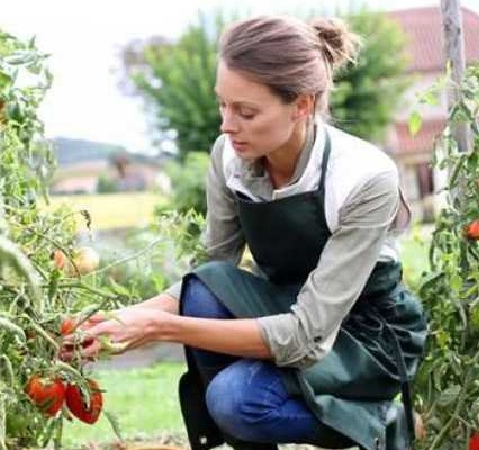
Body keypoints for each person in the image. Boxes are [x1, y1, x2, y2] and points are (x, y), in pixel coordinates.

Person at [61, 14, 427, 450]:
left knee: (236, 399)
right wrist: (121, 320)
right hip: (284, 304)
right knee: (203, 289)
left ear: (303, 104)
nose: (227, 125)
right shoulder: (230, 156)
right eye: (223, 105)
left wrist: (160, 326)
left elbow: (306, 336)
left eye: (246, 112)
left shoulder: (365, 178)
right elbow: (213, 272)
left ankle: (376, 419)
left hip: (364, 335)